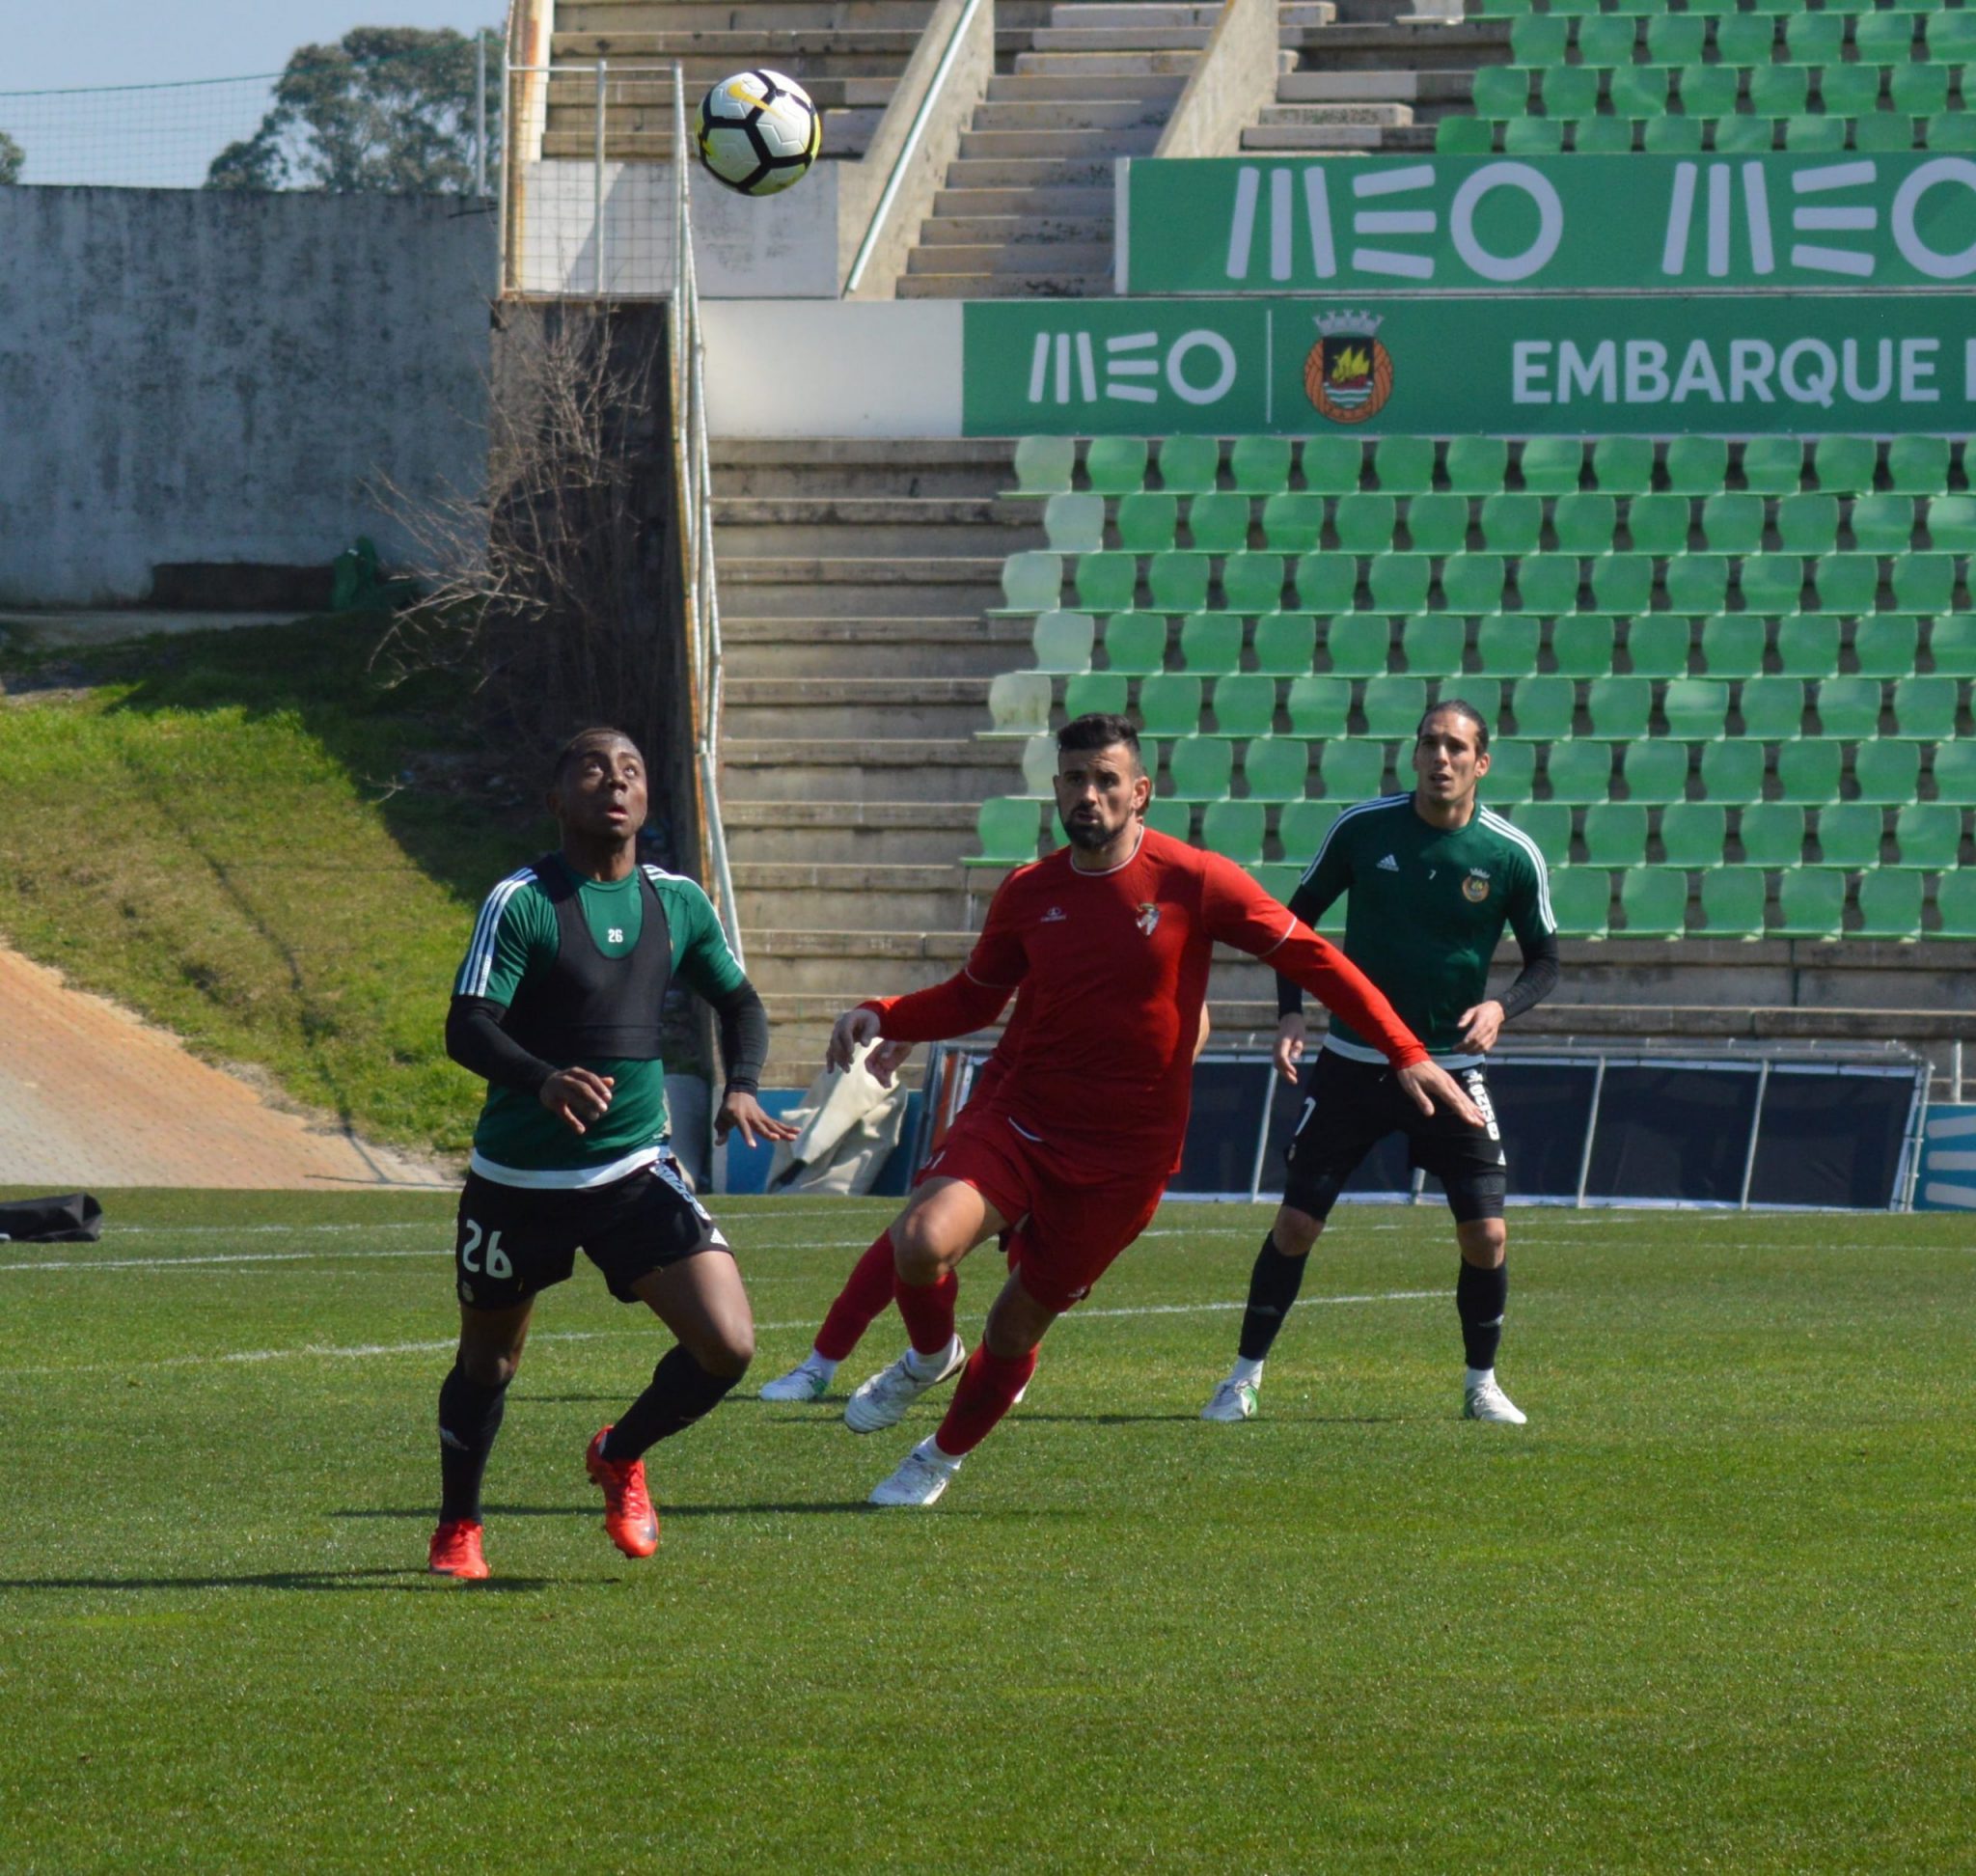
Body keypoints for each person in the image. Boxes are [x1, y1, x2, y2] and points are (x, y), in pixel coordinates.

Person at [820, 712, 1483, 1507]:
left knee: (1014, 1328)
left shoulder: (1194, 879)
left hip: (1124, 1163)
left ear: (1140, 793)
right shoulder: (1029, 892)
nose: (1088, 794)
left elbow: (1314, 959)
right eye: (1074, 779)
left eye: (1106, 780)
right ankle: (931, 1357)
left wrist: (1405, 1049)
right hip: (1021, 1121)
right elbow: (974, 997)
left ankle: (938, 1458)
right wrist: (884, 1012)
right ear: (1056, 788)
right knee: (922, 1241)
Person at [426, 727, 798, 1580]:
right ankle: (458, 1526)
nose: (615, 781)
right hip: (517, 1181)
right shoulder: (522, 901)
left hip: (632, 1170)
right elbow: (467, 1024)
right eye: (593, 768)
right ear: (557, 799)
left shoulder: (677, 903)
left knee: (728, 1346)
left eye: (630, 768)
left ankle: (619, 1453)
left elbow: (741, 1004)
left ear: (647, 797)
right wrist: (543, 1080)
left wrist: (742, 1083)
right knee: (489, 1361)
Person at [1200, 700, 1559, 1430]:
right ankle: (1241, 1379)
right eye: (1430, 743)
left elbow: (1546, 961)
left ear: (1482, 763)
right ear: (1415, 753)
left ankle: (1481, 1385)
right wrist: (1291, 1012)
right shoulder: (1363, 829)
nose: (1441, 758)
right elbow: (1291, 925)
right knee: (1296, 1224)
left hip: (1451, 1068)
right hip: (1354, 1062)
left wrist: (1502, 1007)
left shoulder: (1510, 854)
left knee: (1487, 1236)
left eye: (1456, 747)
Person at [755, 1001, 1210, 1407]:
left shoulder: (1163, 939)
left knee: (1039, 1257)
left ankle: (998, 1377)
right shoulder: (1053, 926)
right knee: (917, 1232)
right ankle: (827, 1362)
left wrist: (1141, 1080)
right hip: (1013, 1095)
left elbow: (1190, 1007)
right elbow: (983, 982)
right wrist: (903, 1020)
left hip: (1098, 1124)